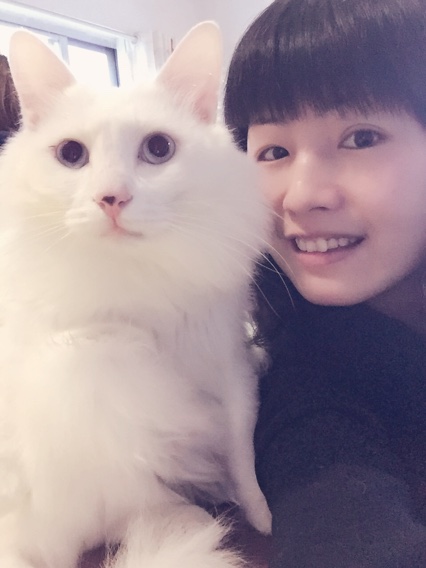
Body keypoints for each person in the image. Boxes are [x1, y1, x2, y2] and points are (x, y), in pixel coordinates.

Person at [224, 0, 426, 566]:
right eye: (273, 152)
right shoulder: (305, 376)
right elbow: (332, 510)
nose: (303, 196)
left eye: (361, 138)